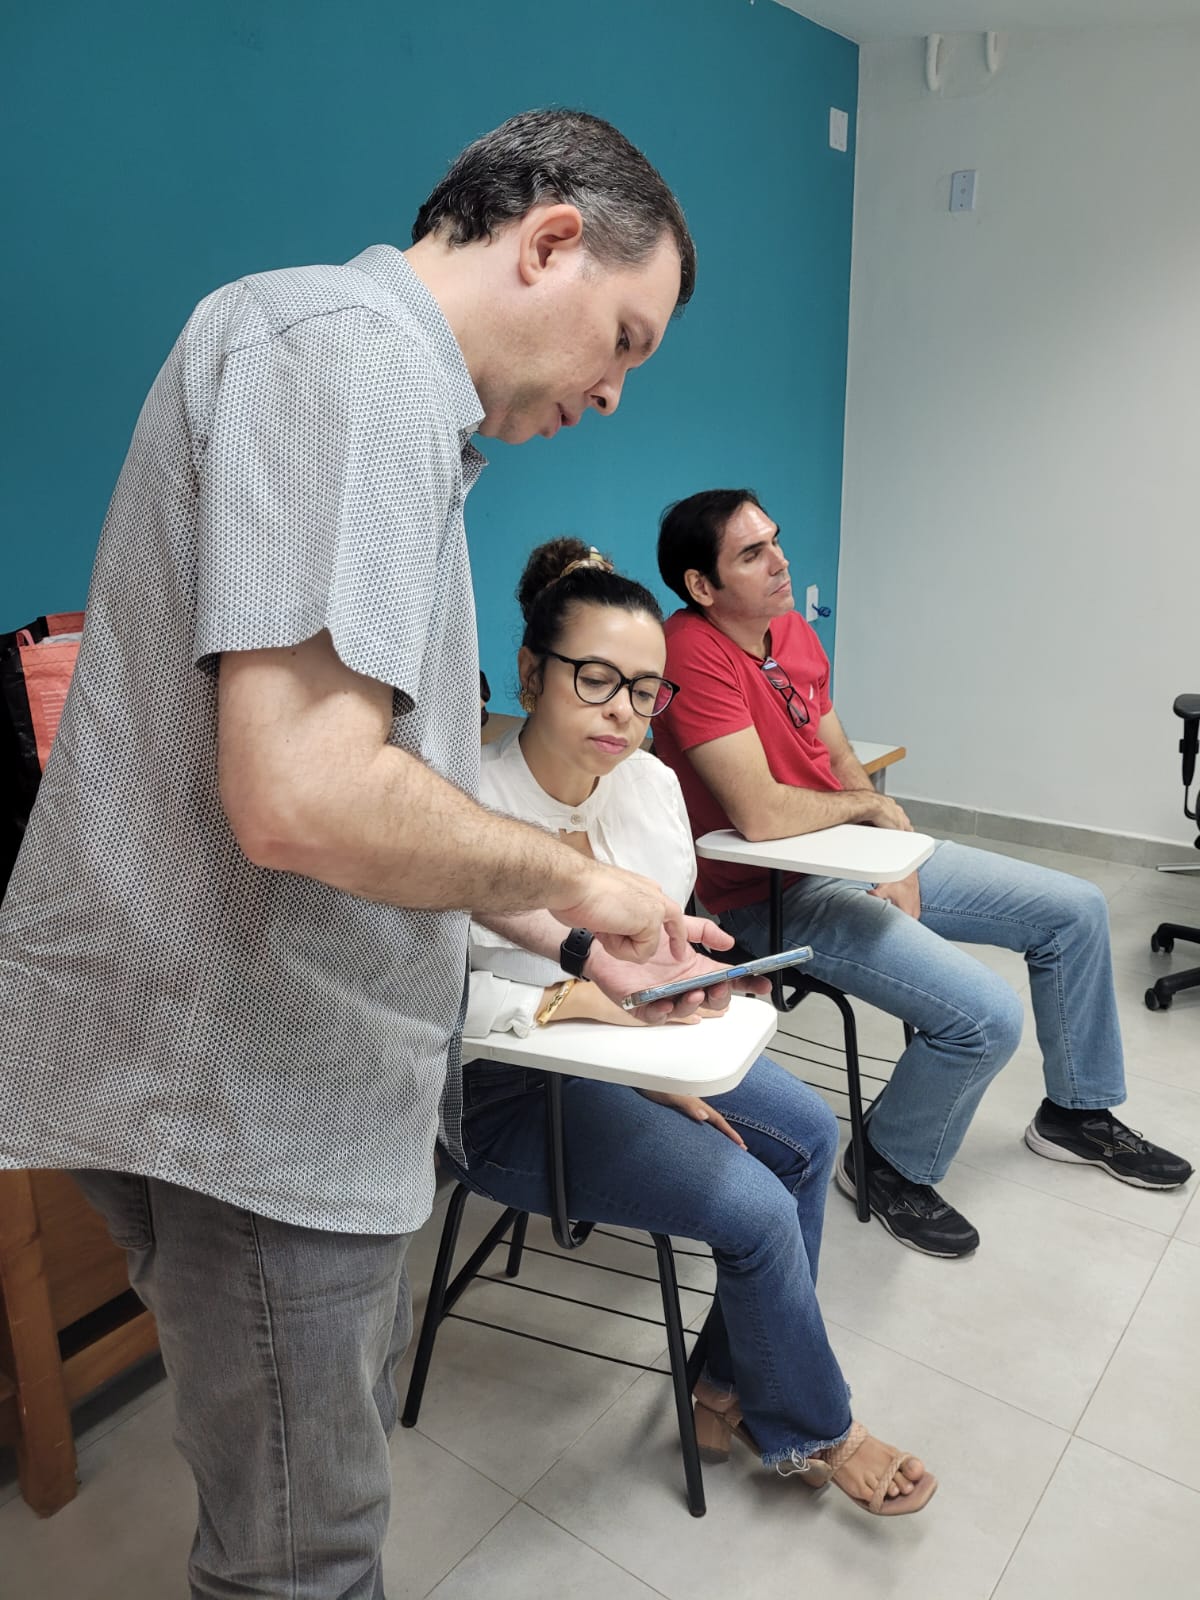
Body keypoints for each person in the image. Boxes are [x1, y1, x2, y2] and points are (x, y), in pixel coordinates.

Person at [0, 110, 739, 1600]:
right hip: (249, 1085)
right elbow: (308, 796)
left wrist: (580, 944)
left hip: (268, 1068)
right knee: (304, 1560)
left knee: (301, 1519)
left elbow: (385, 803)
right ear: (549, 240)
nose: (612, 391)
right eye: (624, 339)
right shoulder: (346, 357)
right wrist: (576, 877)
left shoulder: (373, 390)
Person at [453, 536, 938, 1517]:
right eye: (596, 680)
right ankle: (817, 1426)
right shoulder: (466, 805)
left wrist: (694, 992)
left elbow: (661, 949)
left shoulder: (650, 788)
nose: (623, 712)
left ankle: (723, 1387)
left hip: (635, 1053)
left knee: (810, 1138)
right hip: (511, 1090)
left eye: (645, 691)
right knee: (755, 1209)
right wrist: (616, 1035)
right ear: (530, 671)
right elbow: (437, 995)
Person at [651, 488, 1194, 1260]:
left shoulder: (789, 630)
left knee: (1074, 909)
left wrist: (892, 855)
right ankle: (887, 1163)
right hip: (770, 895)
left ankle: (1076, 1114)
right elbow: (762, 815)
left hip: (845, 858)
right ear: (701, 585)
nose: (781, 561)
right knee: (985, 1017)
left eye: (775, 540)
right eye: (752, 553)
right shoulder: (690, 650)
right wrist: (869, 815)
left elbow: (837, 757)